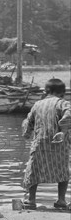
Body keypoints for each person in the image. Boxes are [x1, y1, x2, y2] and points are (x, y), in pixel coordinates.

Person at [21, 78, 71, 210]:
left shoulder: (37, 105)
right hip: (59, 145)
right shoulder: (63, 103)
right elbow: (69, 116)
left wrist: (26, 134)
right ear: (62, 93)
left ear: (46, 91)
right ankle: (61, 200)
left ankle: (31, 200)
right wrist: (63, 130)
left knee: (34, 171)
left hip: (40, 145)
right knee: (63, 171)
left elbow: (28, 123)